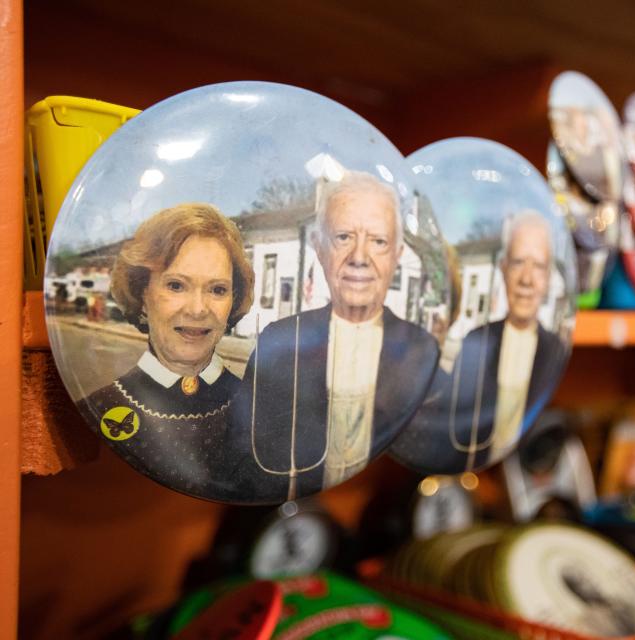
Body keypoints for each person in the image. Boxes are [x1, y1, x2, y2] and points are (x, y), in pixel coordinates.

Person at [230, 171, 439, 501]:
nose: (359, 257)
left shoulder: (422, 350)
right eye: (343, 237)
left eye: (378, 241)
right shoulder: (279, 341)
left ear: (397, 255)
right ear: (319, 247)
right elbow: (244, 451)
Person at [79, 203, 255, 501]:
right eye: (176, 285)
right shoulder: (94, 410)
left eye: (217, 290)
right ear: (142, 294)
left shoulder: (262, 409)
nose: (198, 309)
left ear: (233, 301)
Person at [393, 211, 567, 474]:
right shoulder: (473, 341)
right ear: (504, 270)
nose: (527, 280)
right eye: (518, 262)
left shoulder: (556, 350)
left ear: (548, 278)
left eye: (539, 266)